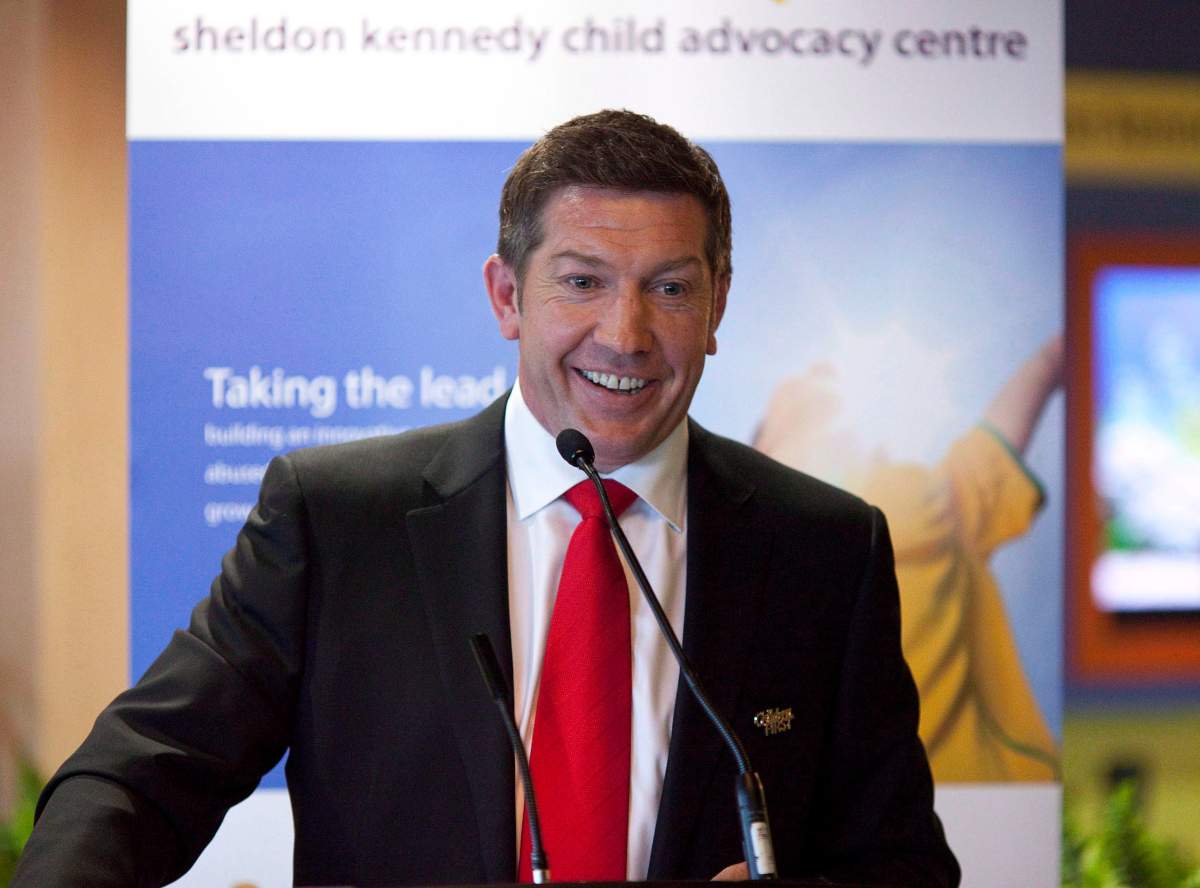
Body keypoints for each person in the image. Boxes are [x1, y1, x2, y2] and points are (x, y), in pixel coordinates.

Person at [14, 110, 958, 887]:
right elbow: (140, 779)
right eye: (581, 282)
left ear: (717, 307)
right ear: (506, 295)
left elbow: (903, 864)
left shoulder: (827, 550)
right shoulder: (338, 520)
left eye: (669, 288)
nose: (624, 334)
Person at [754, 338, 1063, 782]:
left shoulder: (740, 563)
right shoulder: (930, 503)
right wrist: (1050, 360)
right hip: (988, 796)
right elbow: (998, 440)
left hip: (857, 811)